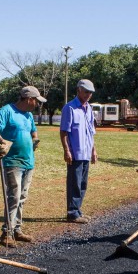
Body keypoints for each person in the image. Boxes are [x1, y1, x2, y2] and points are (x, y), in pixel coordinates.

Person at [0, 85, 44, 248]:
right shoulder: (7, 111)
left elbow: (34, 131)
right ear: (29, 99)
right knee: (13, 197)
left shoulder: (28, 115)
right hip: (13, 162)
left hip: (28, 162)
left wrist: (35, 140)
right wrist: (2, 142)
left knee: (22, 197)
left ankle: (16, 229)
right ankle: (7, 232)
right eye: (37, 101)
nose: (38, 104)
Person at [60, 79, 97, 224]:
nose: (88, 95)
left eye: (91, 93)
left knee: (83, 184)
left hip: (87, 152)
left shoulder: (89, 108)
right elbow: (64, 132)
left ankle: (78, 210)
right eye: (86, 92)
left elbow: (91, 132)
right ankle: (72, 213)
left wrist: (94, 150)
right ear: (79, 90)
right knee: (74, 183)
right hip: (75, 153)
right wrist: (66, 150)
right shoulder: (69, 108)